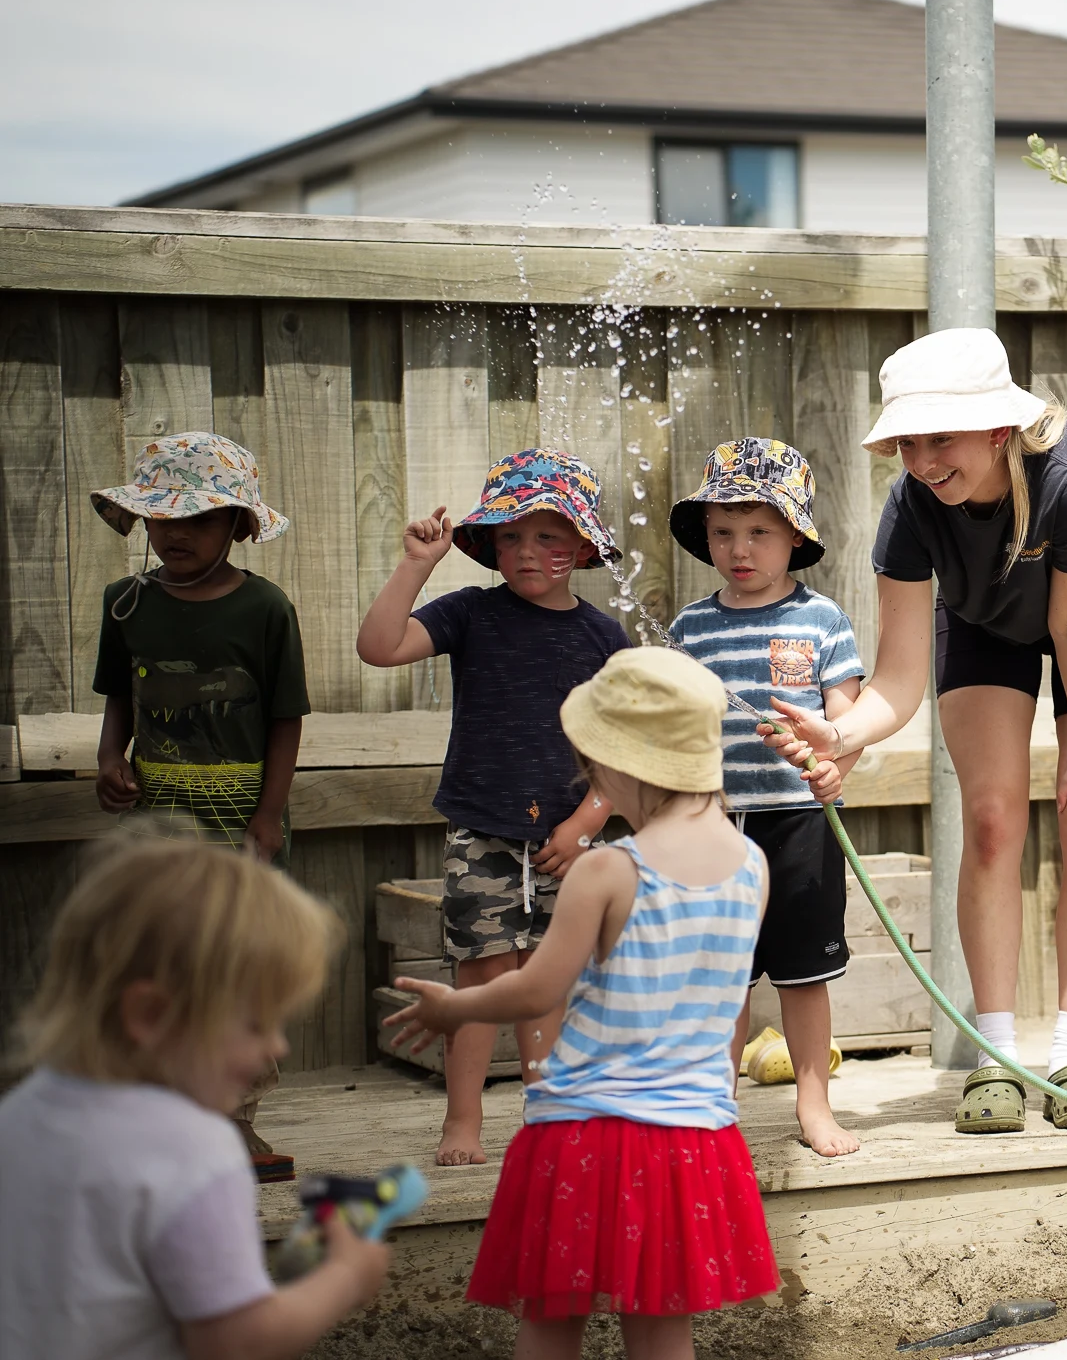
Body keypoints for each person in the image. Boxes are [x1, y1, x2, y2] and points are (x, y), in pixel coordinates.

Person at [760, 326, 1067, 1134]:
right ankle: (997, 1055)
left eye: (940, 438)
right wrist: (843, 737)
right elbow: (900, 676)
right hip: (983, 624)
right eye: (908, 441)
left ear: (996, 428)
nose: (921, 460)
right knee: (989, 821)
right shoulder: (911, 508)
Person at [384, 647, 780, 1360]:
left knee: (550, 1320)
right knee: (665, 1331)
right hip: (692, 1138)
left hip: (588, 1133)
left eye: (591, 766)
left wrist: (456, 1007)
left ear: (624, 763)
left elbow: (538, 987)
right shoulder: (752, 868)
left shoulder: (608, 868)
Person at [0, 839, 389, 1360]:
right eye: (256, 1023)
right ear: (152, 1015)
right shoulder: (195, 1151)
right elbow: (237, 1342)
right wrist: (344, 1277)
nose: (278, 1046)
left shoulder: (21, 1113)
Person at [356, 447, 630, 1166]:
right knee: (481, 976)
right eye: (511, 535)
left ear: (580, 544)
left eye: (548, 536)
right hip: (483, 828)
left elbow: (625, 749)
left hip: (570, 839)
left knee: (551, 976)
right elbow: (379, 646)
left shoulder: (604, 638)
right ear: (490, 545)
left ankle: (548, 1117)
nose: (528, 551)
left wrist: (587, 821)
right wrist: (418, 564)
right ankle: (464, 1121)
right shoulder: (471, 614)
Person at [87, 431, 311, 1171]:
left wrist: (269, 816)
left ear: (239, 526)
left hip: (240, 815)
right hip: (157, 818)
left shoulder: (266, 609)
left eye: (201, 518)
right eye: (162, 517)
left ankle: (237, 1121)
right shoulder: (127, 604)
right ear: (142, 523)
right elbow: (124, 693)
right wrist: (108, 756)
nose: (177, 533)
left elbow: (286, 717)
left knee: (240, 966)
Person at [668, 437, 866, 1158]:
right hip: (715, 825)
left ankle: (813, 1105)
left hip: (800, 817)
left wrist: (832, 760)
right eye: (723, 532)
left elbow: (847, 724)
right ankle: (715, 1109)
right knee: (723, 972)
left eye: (758, 531)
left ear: (794, 536)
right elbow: (678, 725)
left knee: (804, 973)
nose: (738, 548)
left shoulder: (821, 620)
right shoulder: (691, 627)